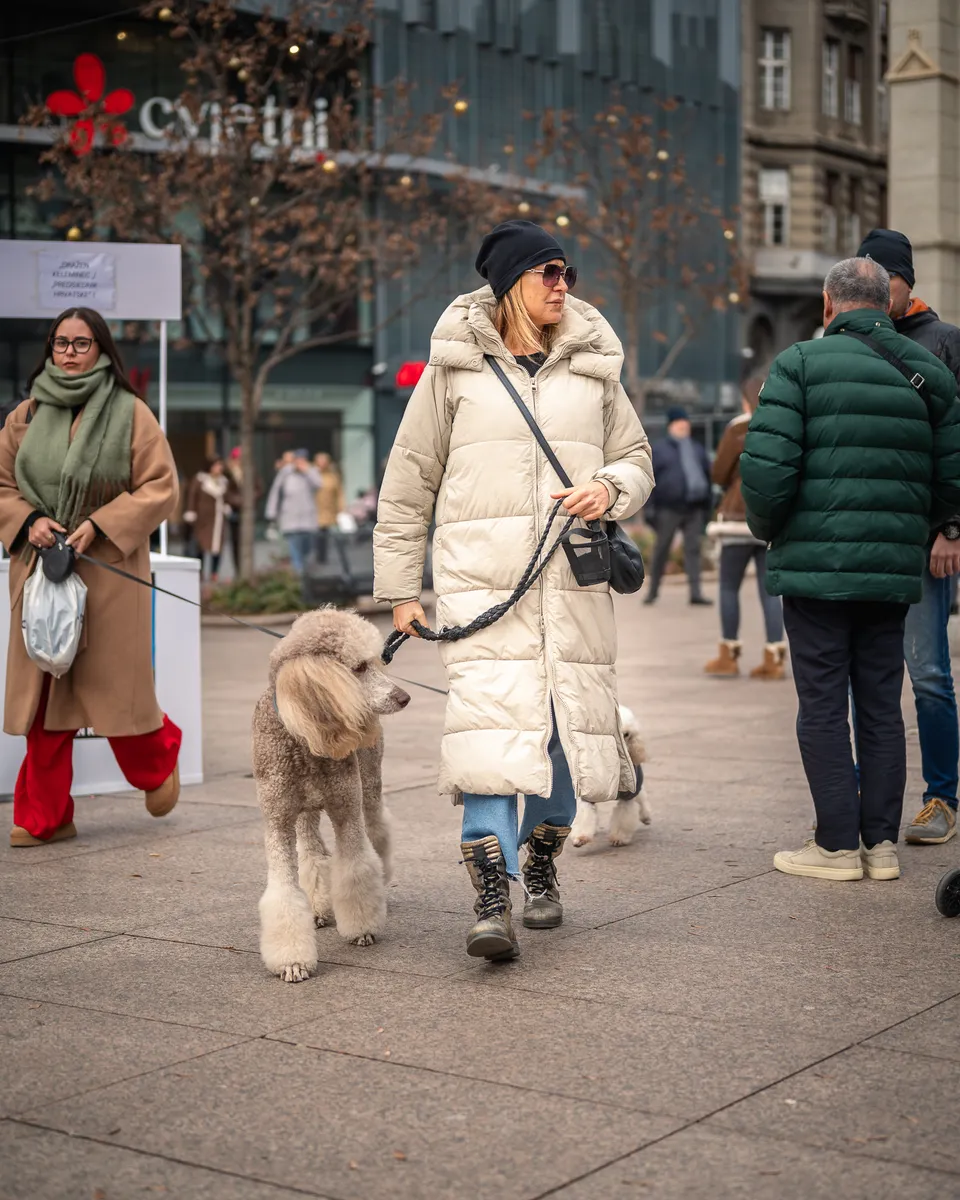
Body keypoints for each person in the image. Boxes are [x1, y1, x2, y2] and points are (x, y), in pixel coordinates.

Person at [374, 219, 653, 960]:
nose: (563, 285)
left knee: (563, 742)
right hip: (480, 588)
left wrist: (609, 485)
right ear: (509, 285)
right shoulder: (454, 371)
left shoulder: (595, 366)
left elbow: (636, 457)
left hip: (572, 586)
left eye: (567, 273)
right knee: (491, 739)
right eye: (548, 273)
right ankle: (491, 896)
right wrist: (402, 587)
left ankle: (541, 862)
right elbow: (408, 484)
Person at [740, 258, 960, 882]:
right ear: (887, 303)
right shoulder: (931, 375)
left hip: (815, 570)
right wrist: (926, 529)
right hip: (893, 570)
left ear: (829, 304)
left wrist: (773, 530)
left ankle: (836, 847)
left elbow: (766, 473)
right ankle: (882, 848)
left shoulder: (799, 364)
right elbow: (951, 481)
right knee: (882, 704)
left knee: (822, 703)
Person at [0, 307, 182, 846]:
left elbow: (160, 486)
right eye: (61, 343)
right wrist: (28, 521)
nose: (70, 352)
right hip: (42, 571)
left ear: (101, 349)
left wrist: (98, 524)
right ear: (50, 349)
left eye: (82, 343)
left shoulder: (131, 413)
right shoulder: (24, 417)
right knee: (46, 697)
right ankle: (45, 816)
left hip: (109, 571)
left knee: (114, 693)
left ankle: (157, 759)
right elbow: (1, 485)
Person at [857, 228, 960, 846]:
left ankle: (943, 796)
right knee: (867, 676)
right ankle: (869, 798)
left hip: (924, 539)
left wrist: (951, 527)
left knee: (926, 672)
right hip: (866, 536)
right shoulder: (849, 337)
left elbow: (956, 444)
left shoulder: (945, 342)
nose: (873, 288)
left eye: (883, 279)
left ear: (905, 282)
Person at [704, 380, 786, 679]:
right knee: (769, 592)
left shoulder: (739, 428)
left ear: (746, 400)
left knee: (728, 587)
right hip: (770, 521)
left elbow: (719, 472)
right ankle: (774, 656)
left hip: (738, 518)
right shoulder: (783, 425)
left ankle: (729, 655)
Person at [643, 406, 712, 606]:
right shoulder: (661, 450)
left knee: (693, 551)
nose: (683, 426)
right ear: (671, 426)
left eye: (685, 423)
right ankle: (652, 592)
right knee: (661, 550)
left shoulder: (697, 449)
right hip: (668, 508)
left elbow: (707, 477)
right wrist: (649, 509)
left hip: (694, 507)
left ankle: (696, 593)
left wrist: (707, 506)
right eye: (679, 423)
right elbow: (650, 480)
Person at [264, 448, 321, 574]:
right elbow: (275, 492)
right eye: (297, 460)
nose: (299, 463)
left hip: (308, 520)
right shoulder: (286, 473)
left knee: (307, 551)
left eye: (302, 460)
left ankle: (305, 575)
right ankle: (299, 578)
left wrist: (307, 471)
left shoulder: (311, 471)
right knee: (295, 551)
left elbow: (318, 484)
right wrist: (271, 513)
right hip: (290, 520)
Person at [183, 456, 230, 581]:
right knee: (201, 546)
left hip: (218, 519)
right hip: (203, 519)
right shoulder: (200, 480)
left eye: (220, 465)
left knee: (217, 547)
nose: (219, 468)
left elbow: (228, 497)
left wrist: (226, 506)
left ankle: (214, 573)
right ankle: (201, 572)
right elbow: (192, 496)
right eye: (216, 465)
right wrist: (191, 512)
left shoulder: (224, 481)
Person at [224, 445, 261, 576]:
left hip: (248, 511)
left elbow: (259, 488)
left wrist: (249, 500)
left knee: (247, 542)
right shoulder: (228, 472)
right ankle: (238, 570)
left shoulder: (250, 471)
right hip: (234, 511)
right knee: (235, 542)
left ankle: (247, 570)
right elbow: (225, 492)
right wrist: (237, 501)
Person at [313, 451, 346, 563]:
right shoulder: (312, 476)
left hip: (329, 510)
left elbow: (339, 493)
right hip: (315, 510)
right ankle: (318, 557)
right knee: (316, 535)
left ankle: (326, 558)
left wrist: (341, 507)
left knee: (327, 534)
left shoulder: (332, 477)